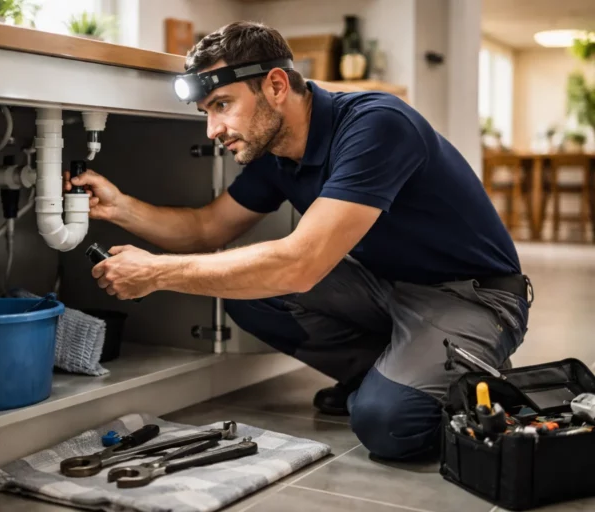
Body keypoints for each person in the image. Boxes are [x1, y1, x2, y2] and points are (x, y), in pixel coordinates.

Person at [64, 21, 532, 461]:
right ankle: (390, 371)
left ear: (275, 86)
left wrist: (157, 273)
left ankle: (445, 378)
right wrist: (119, 206)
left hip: (473, 296)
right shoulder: (276, 153)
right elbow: (206, 229)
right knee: (242, 291)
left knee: (386, 424)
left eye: (222, 105)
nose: (213, 130)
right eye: (206, 113)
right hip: (385, 285)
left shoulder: (376, 126)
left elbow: (300, 263)